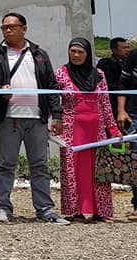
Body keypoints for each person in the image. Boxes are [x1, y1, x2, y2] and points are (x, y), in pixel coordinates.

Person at [0, 12, 68, 224]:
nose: (8, 30)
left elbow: (51, 87)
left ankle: (45, 209)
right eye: (4, 27)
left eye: (12, 26)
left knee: (39, 164)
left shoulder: (39, 54)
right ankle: (3, 208)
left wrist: (57, 115)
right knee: (6, 164)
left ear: (24, 28)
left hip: (37, 118)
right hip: (8, 118)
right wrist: (0, 89)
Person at [55, 38, 121, 222]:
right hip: (71, 128)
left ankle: (102, 211)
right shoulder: (61, 73)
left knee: (99, 168)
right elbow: (53, 100)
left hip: (97, 129)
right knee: (72, 168)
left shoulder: (98, 74)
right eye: (72, 51)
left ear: (88, 53)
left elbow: (105, 102)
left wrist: (113, 129)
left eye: (80, 52)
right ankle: (75, 211)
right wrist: (55, 120)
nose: (76, 55)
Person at [119, 43, 137, 220]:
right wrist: (121, 111)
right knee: (136, 161)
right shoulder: (133, 56)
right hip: (134, 115)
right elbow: (123, 84)